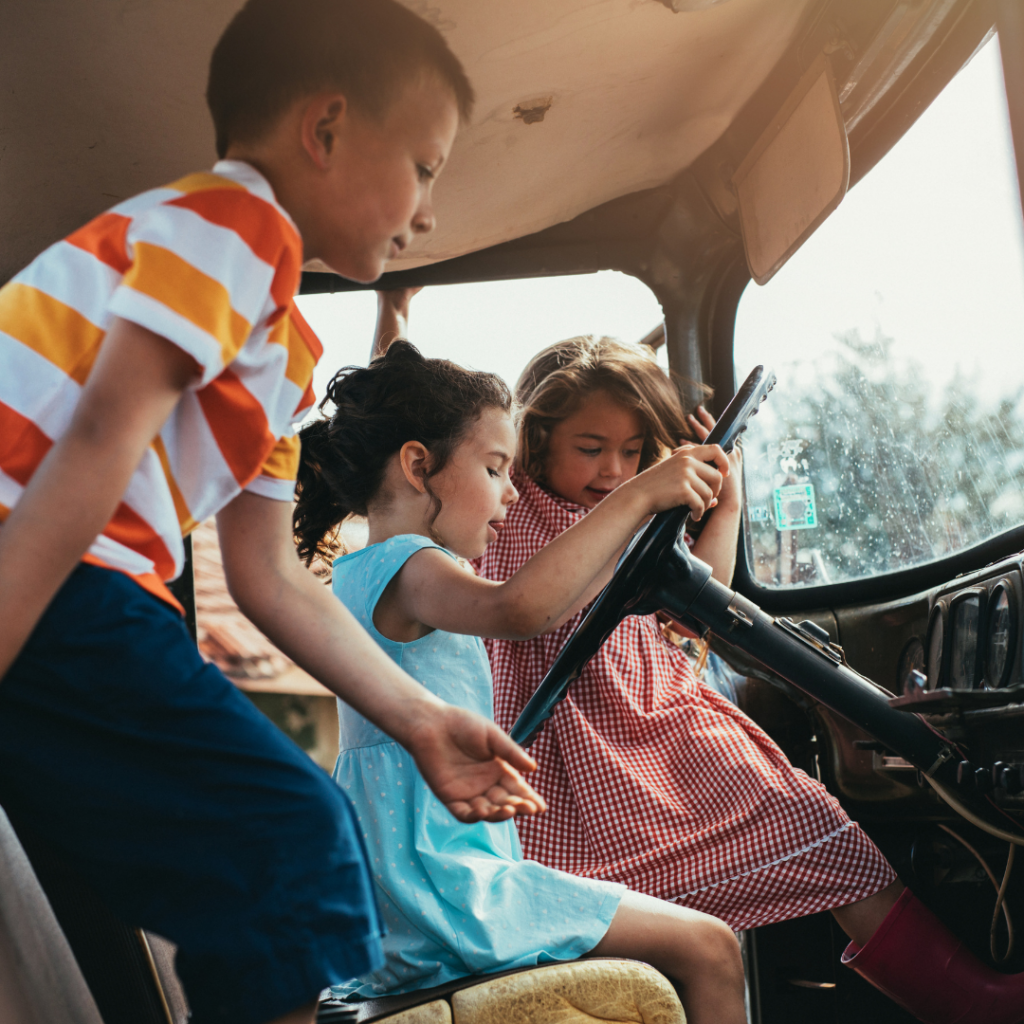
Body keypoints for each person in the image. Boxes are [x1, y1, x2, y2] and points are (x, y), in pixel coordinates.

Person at [0, 5, 547, 1024]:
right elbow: (91, 450)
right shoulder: (235, 224)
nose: (427, 214)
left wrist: (424, 721)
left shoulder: (278, 345)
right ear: (326, 129)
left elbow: (269, 578)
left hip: (73, 583)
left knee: (278, 850)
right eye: (425, 167)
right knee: (291, 849)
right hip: (51, 575)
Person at [475, 333, 1024, 1024]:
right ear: (538, 440)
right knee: (805, 820)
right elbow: (539, 604)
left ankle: (968, 998)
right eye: (591, 447)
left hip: (653, 727)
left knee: (823, 830)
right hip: (586, 751)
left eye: (634, 451)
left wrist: (725, 505)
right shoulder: (518, 512)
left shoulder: (623, 510)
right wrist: (644, 491)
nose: (613, 469)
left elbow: (688, 610)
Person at [293, 341, 747, 1024]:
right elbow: (520, 609)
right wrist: (642, 492)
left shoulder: (361, 572)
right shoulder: (416, 568)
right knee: (711, 947)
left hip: (413, 883)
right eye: (496, 467)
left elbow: (557, 595)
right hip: (448, 893)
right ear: (419, 467)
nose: (512, 492)